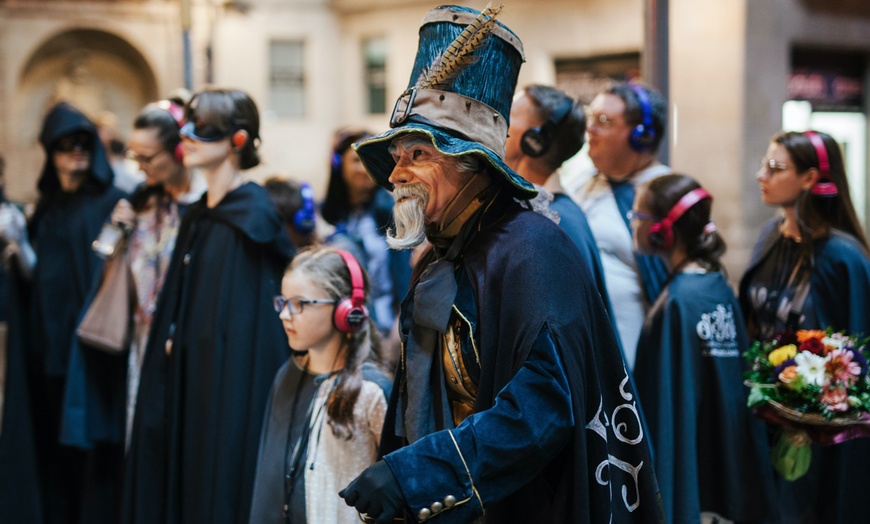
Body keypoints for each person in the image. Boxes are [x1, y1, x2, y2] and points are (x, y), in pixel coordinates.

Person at [338, 5, 662, 523]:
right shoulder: (445, 252)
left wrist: (418, 472)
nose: (397, 173)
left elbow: (544, 406)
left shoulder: (531, 248)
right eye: (397, 155)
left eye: (419, 154)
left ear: (472, 166)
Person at [123, 88, 295, 524]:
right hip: (191, 383)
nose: (188, 136)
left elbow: (256, 333)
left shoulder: (252, 215)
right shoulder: (201, 215)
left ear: (237, 140)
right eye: (188, 125)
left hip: (233, 390)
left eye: (204, 128)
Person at [0, 101, 126, 524]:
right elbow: (36, 282)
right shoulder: (46, 211)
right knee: (51, 454)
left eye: (83, 144)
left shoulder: (112, 203)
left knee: (93, 455)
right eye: (65, 145)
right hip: (46, 355)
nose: (76, 153)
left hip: (93, 357)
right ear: (50, 153)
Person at [60, 99, 206, 454]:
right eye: (134, 156)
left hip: (186, 346)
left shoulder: (204, 207)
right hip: (142, 343)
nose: (139, 168)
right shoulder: (140, 203)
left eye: (147, 157)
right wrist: (117, 231)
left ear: (177, 149)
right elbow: (111, 267)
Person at [739, 130, 870, 523]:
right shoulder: (768, 237)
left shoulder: (842, 257)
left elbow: (859, 357)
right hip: (764, 414)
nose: (761, 175)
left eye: (775, 168)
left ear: (810, 178)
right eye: (764, 165)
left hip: (821, 430)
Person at [631, 174, 775, 523]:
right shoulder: (716, 285)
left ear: (661, 232)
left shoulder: (679, 301)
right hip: (723, 472)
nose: (632, 225)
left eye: (637, 217)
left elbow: (667, 410)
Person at [249, 246, 391, 524]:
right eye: (283, 302)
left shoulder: (371, 391)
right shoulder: (287, 375)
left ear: (345, 310)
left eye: (299, 304)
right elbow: (266, 483)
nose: (284, 314)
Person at [568, 81, 670, 369]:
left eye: (604, 121)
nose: (590, 129)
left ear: (642, 136)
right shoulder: (579, 183)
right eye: (591, 118)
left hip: (636, 360)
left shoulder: (667, 193)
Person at [505, 84, 614, 341]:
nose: (498, 121)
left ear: (534, 141)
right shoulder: (547, 212)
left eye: (510, 114)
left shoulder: (556, 222)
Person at [321, 129, 411, 336]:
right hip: (342, 325)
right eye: (356, 160)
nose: (365, 168)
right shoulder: (326, 215)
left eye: (370, 160)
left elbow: (404, 275)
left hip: (387, 326)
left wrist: (401, 325)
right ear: (338, 165)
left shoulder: (393, 212)